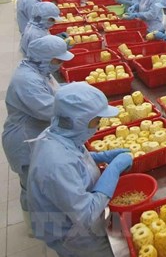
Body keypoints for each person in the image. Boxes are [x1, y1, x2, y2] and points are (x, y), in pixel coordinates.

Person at [28, 82, 133, 256]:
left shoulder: (59, 133)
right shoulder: (57, 164)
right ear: (79, 121)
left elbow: (74, 157)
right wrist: (112, 170)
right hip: (71, 233)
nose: (99, 126)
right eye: (97, 121)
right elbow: (86, 214)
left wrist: (99, 156)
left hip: (70, 214)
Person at [3, 36, 73, 231]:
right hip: (25, 139)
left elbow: (54, 91)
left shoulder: (38, 69)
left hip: (37, 132)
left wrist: (72, 89)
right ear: (46, 58)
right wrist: (82, 111)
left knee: (40, 183)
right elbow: (51, 110)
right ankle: (35, 227)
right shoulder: (27, 81)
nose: (60, 65)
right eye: (58, 60)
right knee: (31, 187)